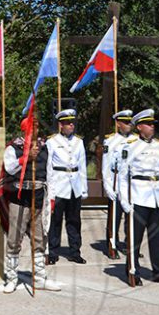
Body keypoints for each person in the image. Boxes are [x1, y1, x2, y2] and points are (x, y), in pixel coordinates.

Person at [118, 109, 159, 286]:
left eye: (153, 124)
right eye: (149, 124)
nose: (152, 127)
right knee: (135, 237)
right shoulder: (129, 146)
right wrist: (124, 200)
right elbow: (123, 176)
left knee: (157, 236)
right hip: (138, 196)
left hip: (157, 196)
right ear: (139, 127)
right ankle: (132, 270)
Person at [2, 117, 60, 293]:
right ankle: (12, 278)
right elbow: (10, 167)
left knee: (39, 237)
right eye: (32, 125)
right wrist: (26, 158)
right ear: (24, 128)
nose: (35, 128)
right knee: (14, 238)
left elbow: (50, 173)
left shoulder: (45, 147)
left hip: (39, 194)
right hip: (20, 196)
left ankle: (40, 278)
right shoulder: (14, 147)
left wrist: (52, 197)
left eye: (36, 125)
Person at [46, 109, 88, 265]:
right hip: (59, 185)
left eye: (72, 122)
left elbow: (82, 166)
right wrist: (50, 191)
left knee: (74, 221)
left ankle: (74, 251)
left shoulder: (79, 141)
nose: (71, 125)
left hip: (74, 186)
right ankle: (52, 252)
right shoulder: (52, 142)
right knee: (55, 221)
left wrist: (83, 189)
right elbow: (49, 168)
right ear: (60, 125)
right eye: (67, 123)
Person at [102, 110, 134, 257]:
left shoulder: (136, 140)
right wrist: (108, 186)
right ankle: (112, 244)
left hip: (131, 183)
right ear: (118, 123)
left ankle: (130, 245)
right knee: (115, 215)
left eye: (130, 122)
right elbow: (106, 166)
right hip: (116, 180)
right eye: (125, 122)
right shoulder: (110, 141)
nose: (128, 125)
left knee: (131, 216)